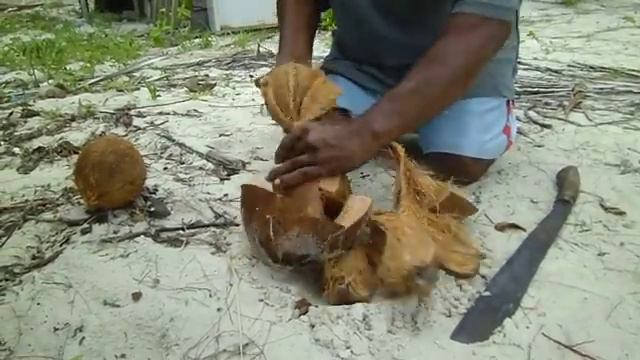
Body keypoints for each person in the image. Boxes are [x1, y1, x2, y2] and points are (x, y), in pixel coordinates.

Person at [266, 0, 522, 191]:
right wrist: (291, 68)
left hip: (462, 70)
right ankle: (391, 122)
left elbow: (482, 27)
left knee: (461, 164)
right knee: (315, 135)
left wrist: (365, 134)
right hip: (362, 64)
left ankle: (391, 124)